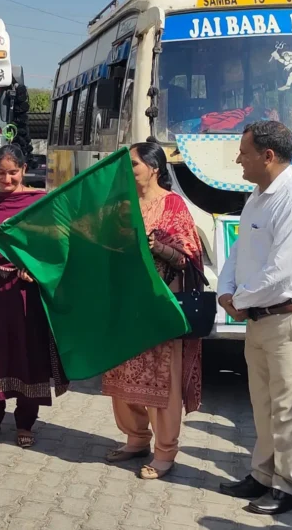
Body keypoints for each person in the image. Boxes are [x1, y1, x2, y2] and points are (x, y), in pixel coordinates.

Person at [216, 120, 292, 515]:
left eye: (243, 152)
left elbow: (283, 268)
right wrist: (226, 290)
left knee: (289, 407)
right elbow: (239, 250)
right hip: (260, 317)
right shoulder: (257, 195)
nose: (238, 159)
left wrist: (240, 299)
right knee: (262, 403)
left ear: (267, 155)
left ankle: (290, 488)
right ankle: (262, 476)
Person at [101, 141, 204, 480]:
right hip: (125, 306)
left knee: (163, 383)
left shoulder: (172, 205)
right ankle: (135, 439)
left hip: (159, 309)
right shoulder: (121, 205)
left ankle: (164, 452)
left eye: (133, 164)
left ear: (154, 168)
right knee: (122, 375)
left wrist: (157, 246)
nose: (128, 170)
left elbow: (189, 257)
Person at [0, 144, 68, 449]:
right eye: (0, 173)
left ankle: (25, 422)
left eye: (12, 172)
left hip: (26, 295)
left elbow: (51, 245)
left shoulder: (38, 203)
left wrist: (33, 268)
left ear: (23, 170)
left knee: (27, 355)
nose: (6, 179)